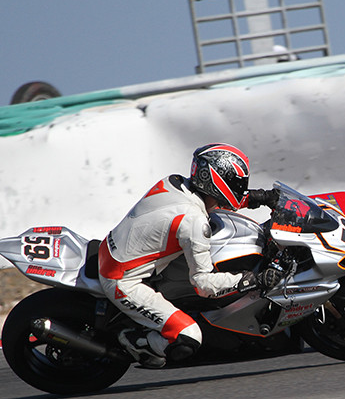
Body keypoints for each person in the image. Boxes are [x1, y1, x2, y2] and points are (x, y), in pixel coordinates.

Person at [97, 143, 281, 367]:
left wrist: (259, 197)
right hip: (122, 280)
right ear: (216, 179)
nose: (240, 187)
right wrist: (252, 279)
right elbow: (203, 285)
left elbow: (215, 200)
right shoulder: (193, 221)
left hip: (114, 249)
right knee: (188, 338)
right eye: (236, 182)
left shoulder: (175, 182)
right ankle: (132, 340)